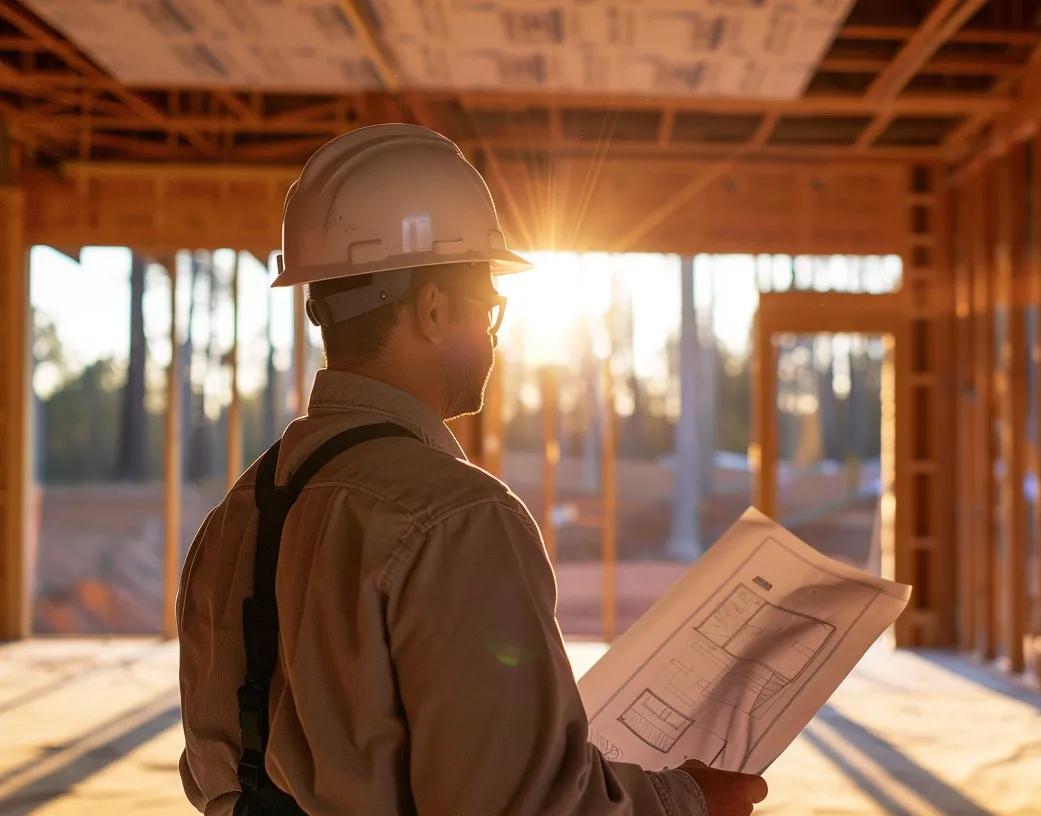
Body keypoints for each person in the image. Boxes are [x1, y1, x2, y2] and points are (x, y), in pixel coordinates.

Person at [176, 124, 769, 816]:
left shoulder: (237, 516)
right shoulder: (458, 518)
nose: (494, 334)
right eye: (489, 309)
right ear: (432, 310)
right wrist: (688, 801)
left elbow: (213, 771)